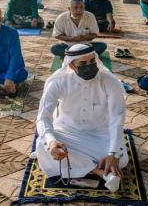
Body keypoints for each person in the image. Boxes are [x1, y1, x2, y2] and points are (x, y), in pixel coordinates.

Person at [35, 43, 128, 193]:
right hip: (68, 132)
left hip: (101, 134)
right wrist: (52, 142)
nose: (89, 66)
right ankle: (101, 173)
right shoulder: (59, 81)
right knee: (44, 143)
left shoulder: (110, 81)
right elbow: (43, 117)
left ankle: (78, 164)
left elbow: (117, 118)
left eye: (92, 61)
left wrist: (113, 153)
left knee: (121, 159)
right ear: (71, 65)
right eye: (83, 63)